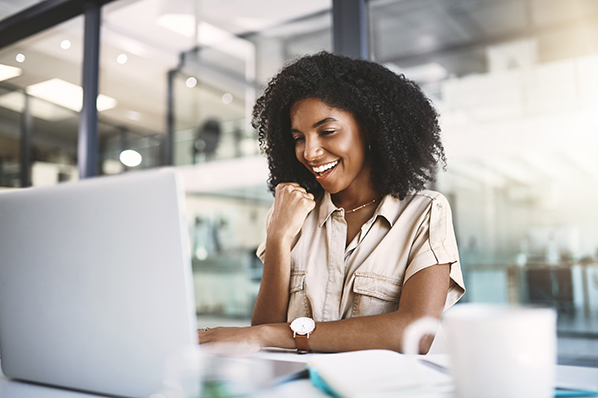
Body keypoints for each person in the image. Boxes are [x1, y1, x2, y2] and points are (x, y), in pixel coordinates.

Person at [199, 51, 465, 354]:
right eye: (298, 137)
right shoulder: (293, 216)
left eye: (327, 132)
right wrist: (278, 238)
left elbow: (416, 333)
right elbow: (263, 333)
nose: (309, 152)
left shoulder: (425, 213)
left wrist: (282, 335)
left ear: (370, 130)